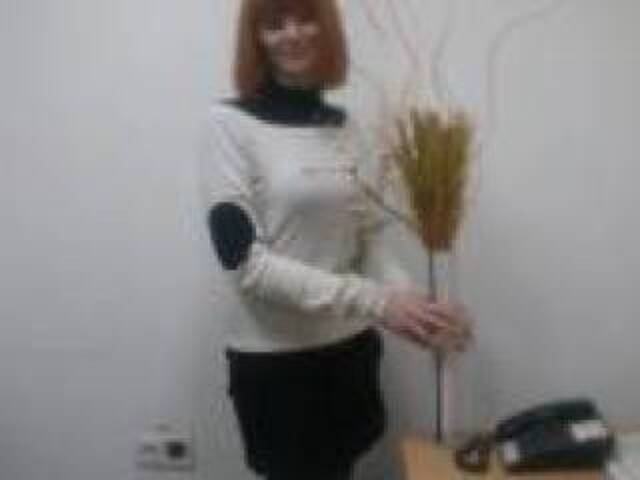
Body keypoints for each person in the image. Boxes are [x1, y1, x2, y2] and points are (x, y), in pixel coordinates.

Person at [197, 1, 473, 479]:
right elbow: (244, 264)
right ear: (255, 38)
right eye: (274, 23)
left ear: (326, 29)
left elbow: (367, 236)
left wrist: (416, 307)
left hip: (350, 355)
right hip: (278, 369)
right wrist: (377, 302)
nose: (292, 33)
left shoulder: (345, 127)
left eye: (305, 18)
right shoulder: (227, 125)